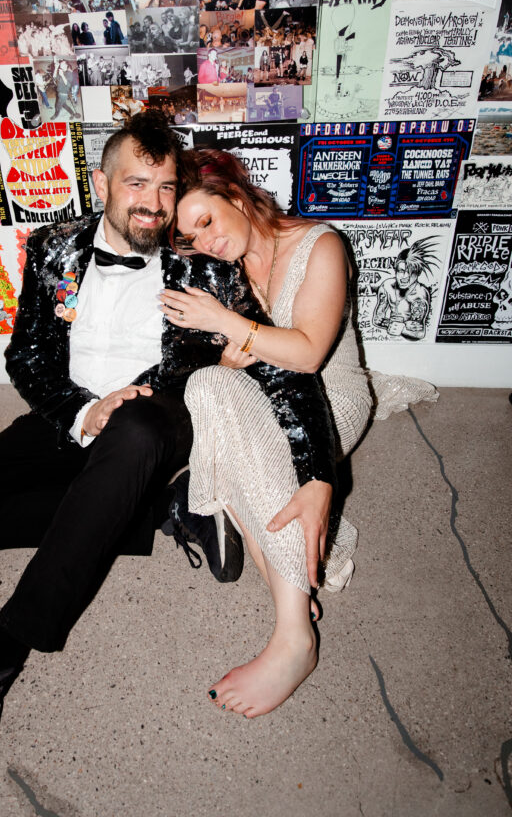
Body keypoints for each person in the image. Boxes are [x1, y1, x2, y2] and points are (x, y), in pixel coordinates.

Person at [0, 114, 271, 810]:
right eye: (136, 183)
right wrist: (79, 413)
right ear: (100, 182)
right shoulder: (52, 246)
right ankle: (154, 509)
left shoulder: (206, 261)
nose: (153, 205)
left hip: (153, 422)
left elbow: (259, 353)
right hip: (71, 415)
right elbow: (26, 355)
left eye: (165, 187)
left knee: (132, 431)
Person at [159, 149, 371, 718]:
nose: (204, 242)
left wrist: (227, 324)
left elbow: (305, 356)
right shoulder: (223, 269)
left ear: (235, 195)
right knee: (208, 390)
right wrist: (225, 355)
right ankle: (293, 561)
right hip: (264, 394)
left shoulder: (320, 245)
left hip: (331, 399)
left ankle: (295, 638)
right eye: (190, 237)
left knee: (239, 448)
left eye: (206, 220)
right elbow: (229, 361)